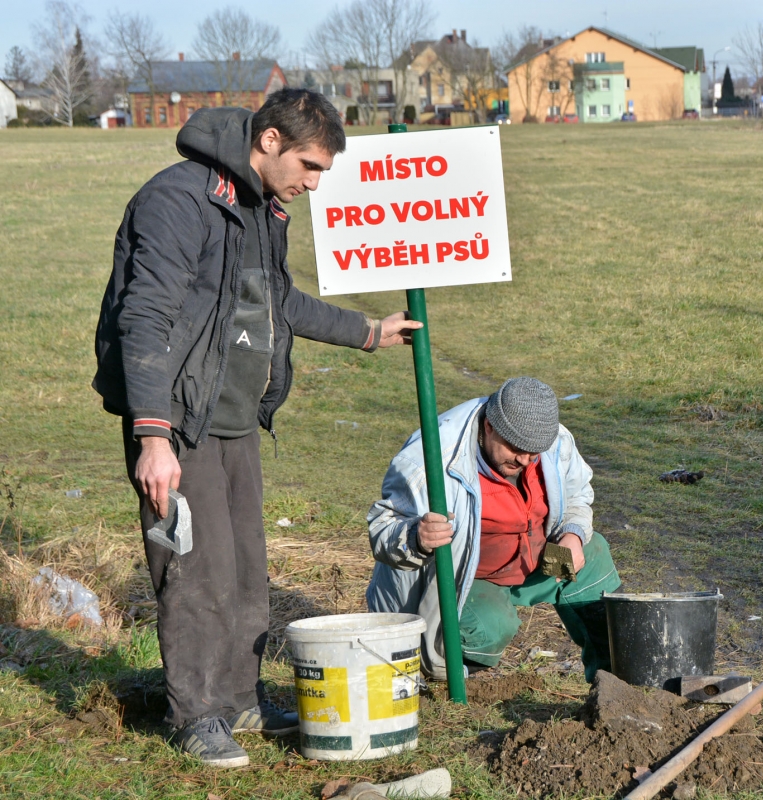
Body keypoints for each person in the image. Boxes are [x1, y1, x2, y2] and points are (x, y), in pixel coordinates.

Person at [92, 89, 423, 768]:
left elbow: (276, 300)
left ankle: (240, 698)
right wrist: (153, 437)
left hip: (237, 416)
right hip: (179, 420)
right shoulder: (179, 200)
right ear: (269, 140)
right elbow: (144, 318)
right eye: (309, 165)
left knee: (245, 571)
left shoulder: (262, 208)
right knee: (193, 571)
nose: (314, 182)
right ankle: (196, 715)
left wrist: (365, 332)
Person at [366, 378, 622, 683]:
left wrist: (572, 533)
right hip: (467, 579)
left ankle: (611, 681)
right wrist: (416, 538)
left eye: (534, 453)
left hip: (533, 560)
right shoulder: (431, 459)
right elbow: (383, 529)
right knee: (492, 627)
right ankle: (441, 674)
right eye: (515, 449)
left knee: (593, 555)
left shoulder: (551, 441)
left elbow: (577, 492)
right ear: (489, 427)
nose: (525, 460)